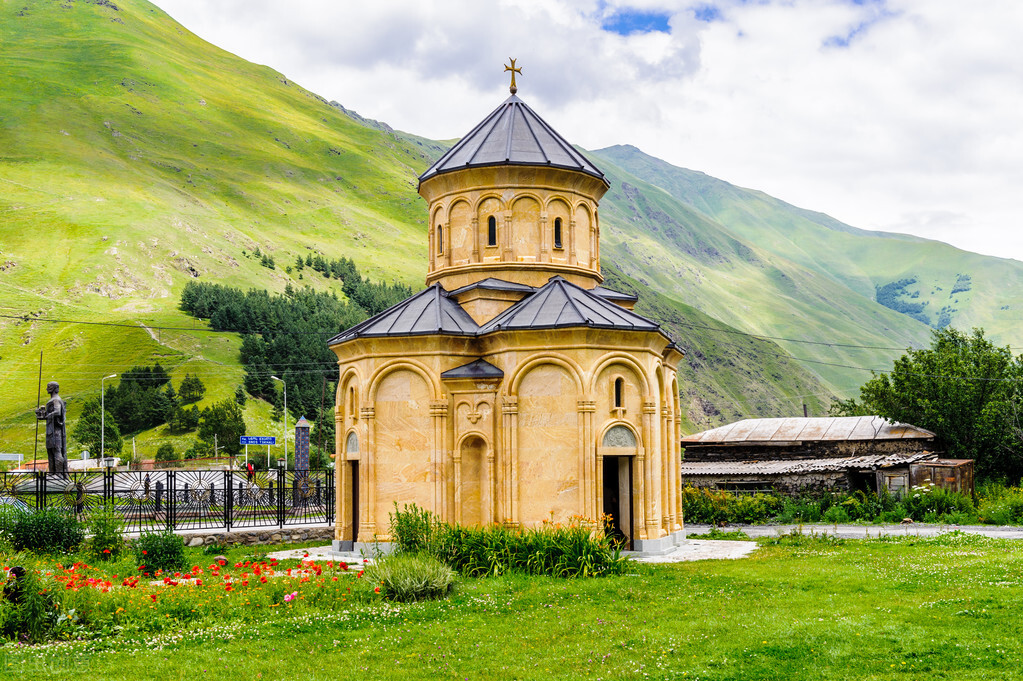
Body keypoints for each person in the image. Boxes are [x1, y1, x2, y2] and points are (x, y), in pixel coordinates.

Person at [35, 381, 67, 475]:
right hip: (50, 430)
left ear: (53, 388)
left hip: (56, 431)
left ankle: (59, 474)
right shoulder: (51, 401)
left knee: (56, 451)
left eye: (48, 387)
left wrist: (47, 415)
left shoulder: (56, 400)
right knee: (50, 451)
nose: (46, 389)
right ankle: (52, 473)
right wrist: (42, 415)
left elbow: (58, 412)